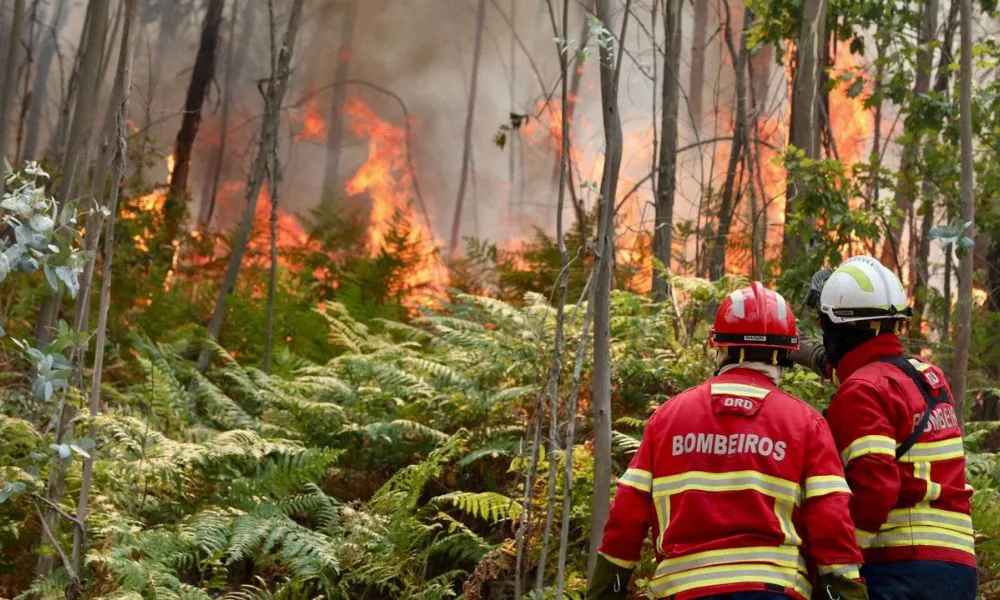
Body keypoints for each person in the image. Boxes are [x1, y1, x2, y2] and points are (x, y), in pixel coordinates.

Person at [587, 282, 868, 600]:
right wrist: (842, 593)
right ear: (785, 354)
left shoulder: (667, 418)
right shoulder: (806, 423)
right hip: (773, 591)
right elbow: (830, 521)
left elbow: (625, 519)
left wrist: (604, 593)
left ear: (719, 346)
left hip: (683, 592)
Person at [788, 255, 978, 600]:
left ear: (839, 328)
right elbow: (868, 368)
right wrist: (805, 352)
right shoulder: (927, 376)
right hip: (957, 568)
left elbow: (876, 486)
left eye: (825, 326)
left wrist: (841, 560)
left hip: (900, 567)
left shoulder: (863, 390)